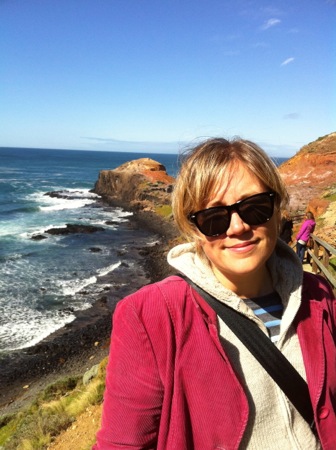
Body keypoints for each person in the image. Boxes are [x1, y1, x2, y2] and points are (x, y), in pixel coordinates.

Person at [93, 138, 335, 449]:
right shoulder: (150, 315)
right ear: (193, 227)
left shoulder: (318, 296)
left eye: (255, 207)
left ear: (277, 210)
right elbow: (122, 443)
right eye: (214, 218)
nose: (237, 227)